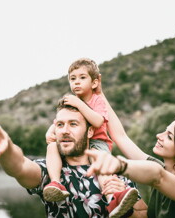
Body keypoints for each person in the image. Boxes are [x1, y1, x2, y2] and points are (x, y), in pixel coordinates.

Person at [0, 100, 148, 217]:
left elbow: (143, 214)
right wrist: (4, 144)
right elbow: (20, 166)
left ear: (90, 130)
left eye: (73, 124)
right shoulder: (50, 170)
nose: (64, 130)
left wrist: (126, 210)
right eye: (60, 125)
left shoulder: (113, 169)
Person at [85, 75, 175, 217]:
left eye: (169, 136)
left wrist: (119, 165)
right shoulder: (163, 170)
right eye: (165, 131)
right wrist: (99, 95)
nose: (159, 135)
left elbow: (158, 177)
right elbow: (120, 136)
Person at [43, 58, 138, 217]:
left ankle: (113, 198)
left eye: (82, 78)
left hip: (98, 143)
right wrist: (51, 129)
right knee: (52, 146)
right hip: (78, 142)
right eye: (72, 79)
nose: (77, 82)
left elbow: (98, 121)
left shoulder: (96, 100)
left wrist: (79, 104)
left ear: (94, 83)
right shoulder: (74, 102)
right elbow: (63, 117)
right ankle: (55, 183)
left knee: (102, 168)